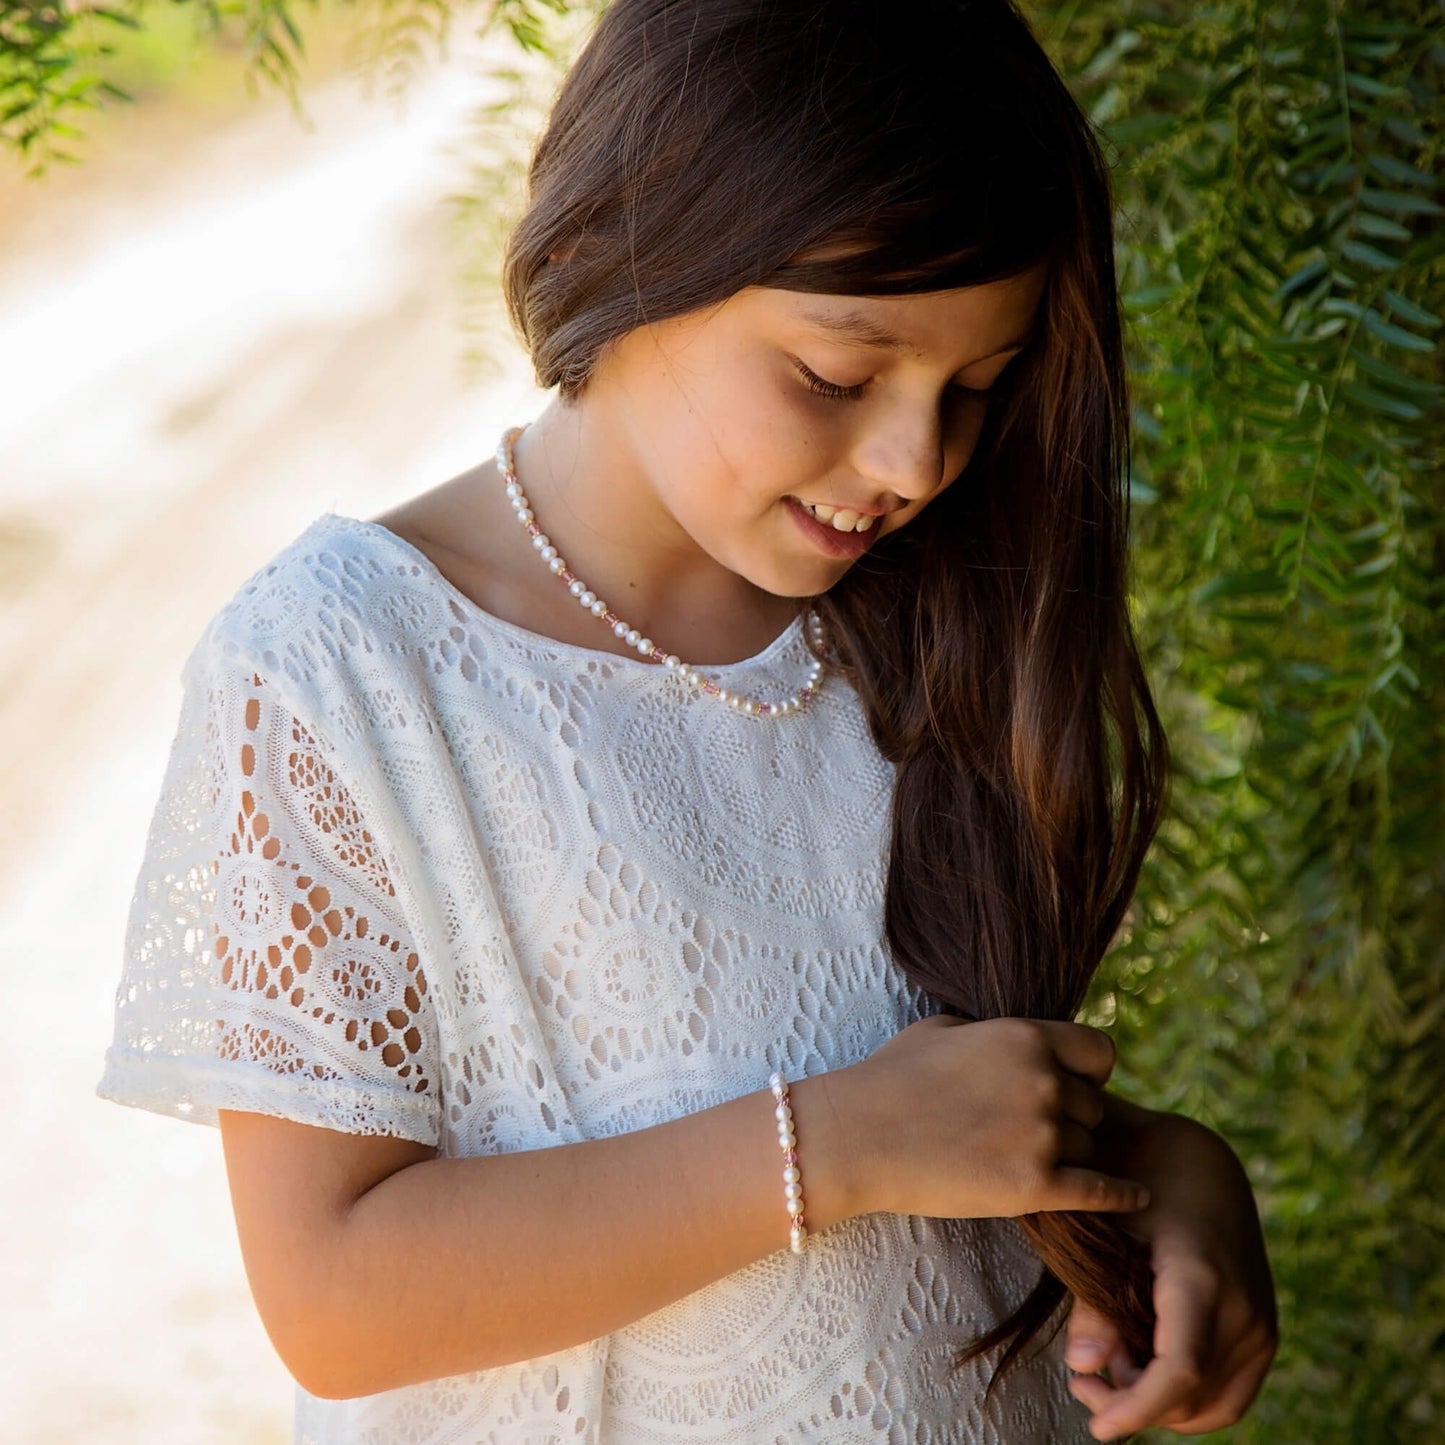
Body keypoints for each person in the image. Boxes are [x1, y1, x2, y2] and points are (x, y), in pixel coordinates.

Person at [97, 0, 1279, 1440]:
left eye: (975, 387)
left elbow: (951, 1096)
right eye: (835, 376)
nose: (914, 459)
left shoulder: (927, 625)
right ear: (632, 246)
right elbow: (338, 1298)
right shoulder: (346, 670)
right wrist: (830, 1145)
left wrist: (1164, 1169)